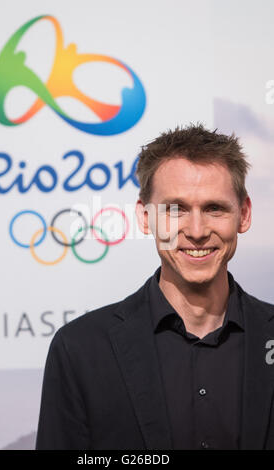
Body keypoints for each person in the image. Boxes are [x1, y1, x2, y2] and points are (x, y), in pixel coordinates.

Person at [35, 123, 274, 450]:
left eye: (214, 208)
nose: (197, 230)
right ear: (145, 217)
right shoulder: (80, 349)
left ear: (244, 214)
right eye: (175, 209)